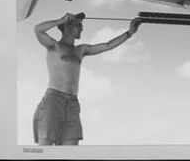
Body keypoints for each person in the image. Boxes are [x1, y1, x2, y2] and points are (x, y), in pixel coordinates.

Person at [33, 12, 141, 146]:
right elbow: (38, 29)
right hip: (53, 102)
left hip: (73, 104)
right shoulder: (54, 46)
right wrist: (60, 20)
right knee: (45, 153)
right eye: (78, 25)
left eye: (81, 26)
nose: (82, 28)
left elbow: (107, 45)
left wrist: (129, 33)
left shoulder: (81, 50)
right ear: (66, 27)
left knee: (70, 156)